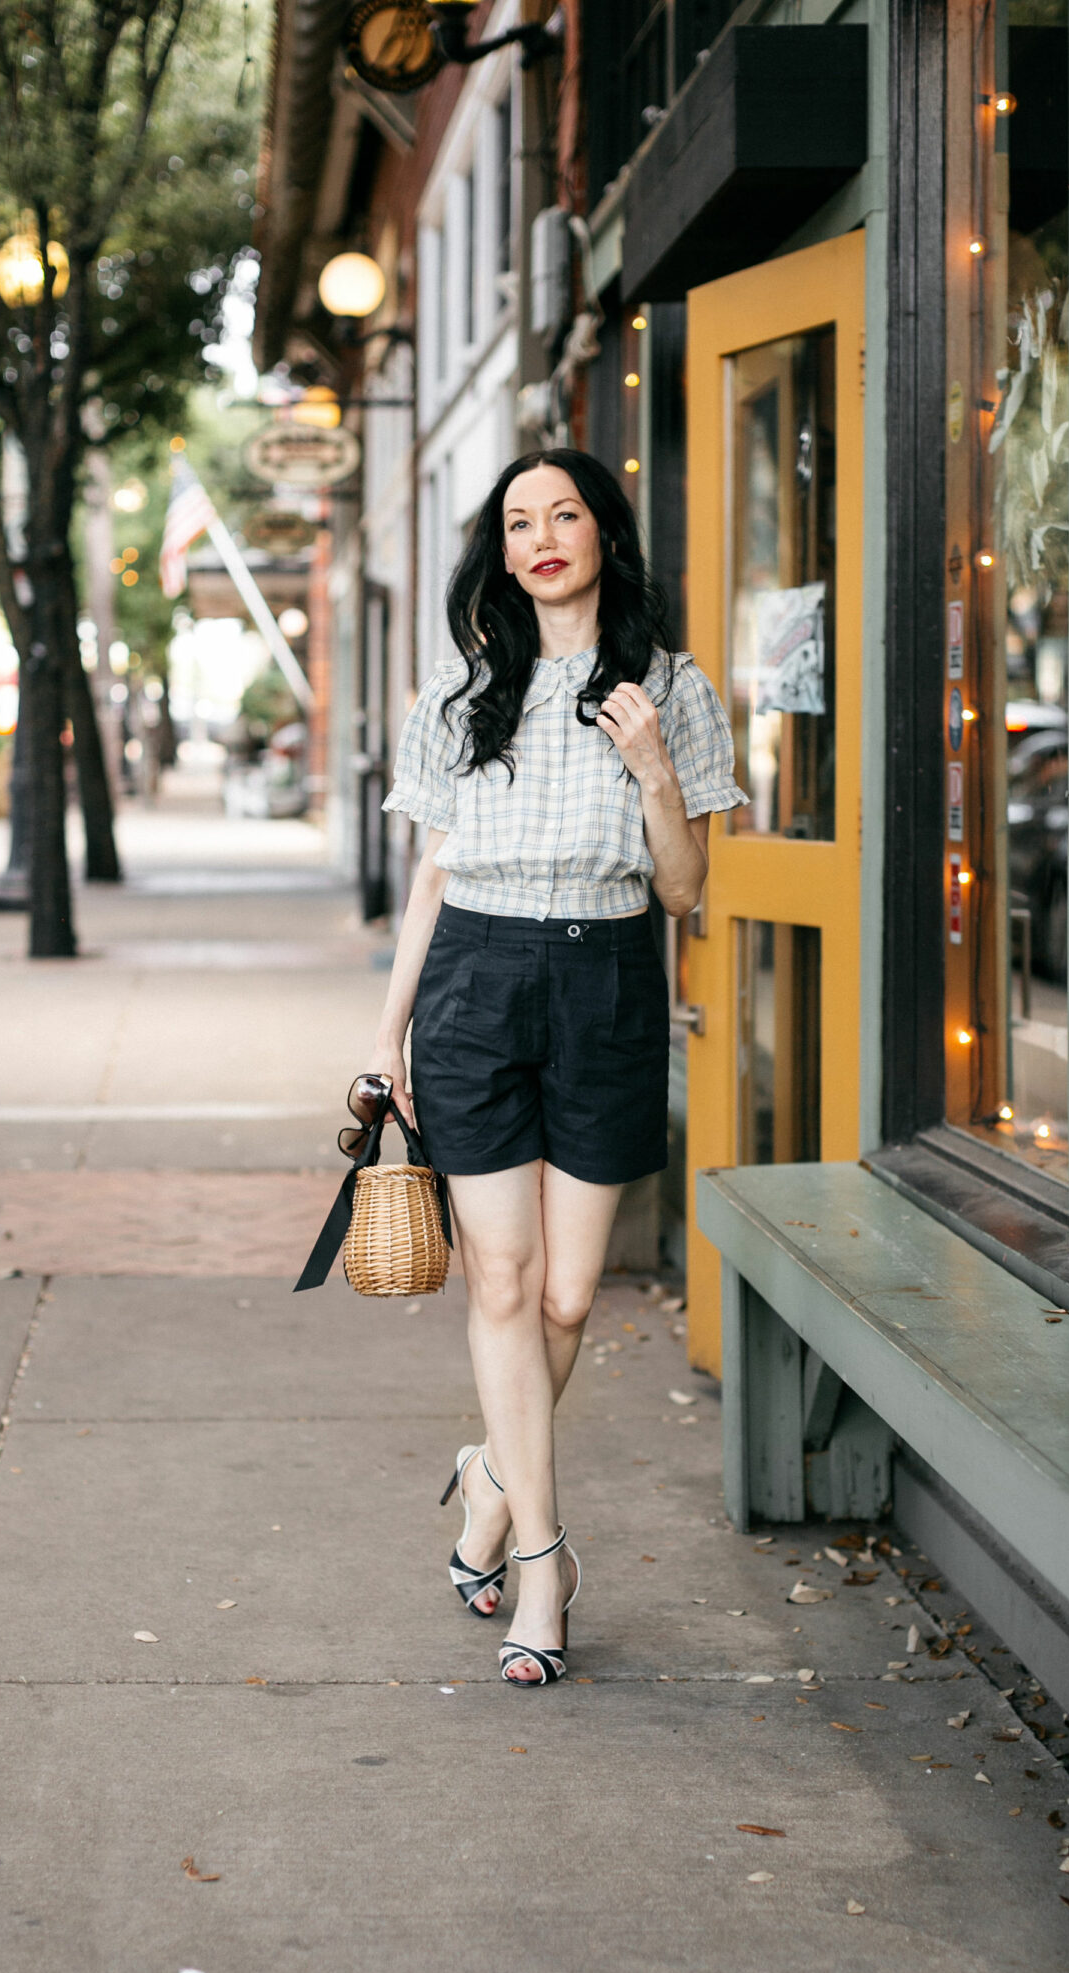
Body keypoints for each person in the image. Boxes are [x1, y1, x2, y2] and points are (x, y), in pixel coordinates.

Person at [371, 449, 745, 1686]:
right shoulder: (464, 690)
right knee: (501, 1285)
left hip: (607, 980)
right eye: (519, 521)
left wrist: (651, 770)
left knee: (570, 1298)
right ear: (503, 551)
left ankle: (488, 1474)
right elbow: (432, 872)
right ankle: (542, 1564)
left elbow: (687, 895)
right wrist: (389, 1034)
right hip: (476, 981)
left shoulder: (672, 690)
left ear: (603, 534)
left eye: (564, 514)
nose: (541, 537)